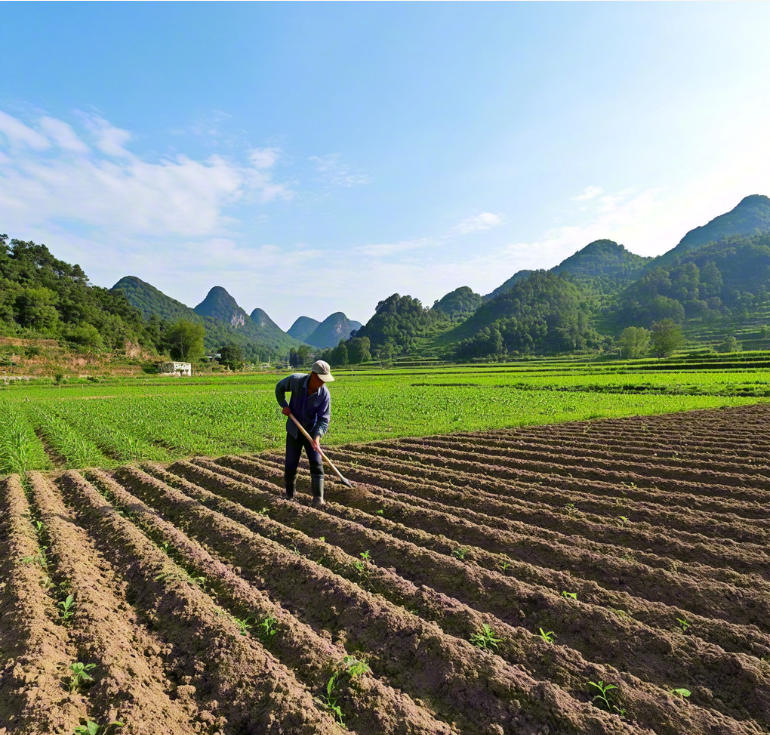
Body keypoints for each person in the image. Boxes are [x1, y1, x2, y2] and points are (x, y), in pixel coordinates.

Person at [275, 359, 334, 506]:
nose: (322, 383)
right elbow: (279, 387)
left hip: (311, 432)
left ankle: (318, 499)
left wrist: (317, 437)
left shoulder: (324, 394)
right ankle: (289, 495)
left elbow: (324, 419)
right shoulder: (296, 380)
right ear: (313, 375)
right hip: (294, 430)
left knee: (316, 463)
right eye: (320, 379)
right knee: (290, 464)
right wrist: (284, 405)